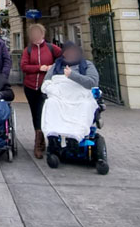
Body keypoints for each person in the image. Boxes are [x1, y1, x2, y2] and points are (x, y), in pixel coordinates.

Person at [41, 42, 100, 143]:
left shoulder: (87, 65)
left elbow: (92, 83)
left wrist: (72, 75)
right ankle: (53, 134)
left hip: (80, 97)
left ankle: (76, 135)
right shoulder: (56, 66)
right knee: (51, 103)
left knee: (86, 105)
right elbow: (46, 83)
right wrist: (53, 90)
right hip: (60, 97)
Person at [19, 23, 62, 159]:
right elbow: (24, 66)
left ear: (42, 34)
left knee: (44, 113)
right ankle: (40, 141)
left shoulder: (51, 48)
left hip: (47, 87)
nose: (35, 36)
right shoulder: (28, 50)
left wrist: (53, 68)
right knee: (35, 113)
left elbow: (62, 60)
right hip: (31, 86)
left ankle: (42, 142)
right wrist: (39, 68)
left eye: (38, 33)